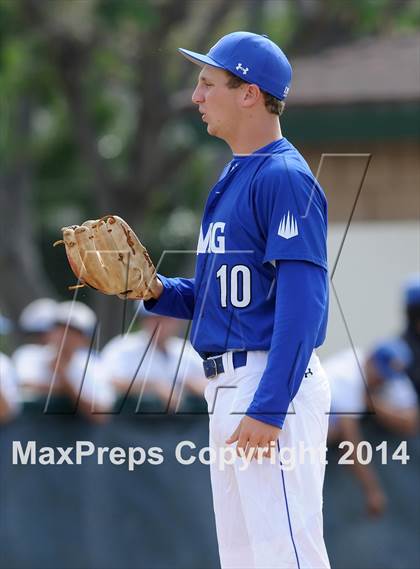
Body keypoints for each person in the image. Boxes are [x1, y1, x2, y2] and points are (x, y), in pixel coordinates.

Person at [143, 31, 331, 569]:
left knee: (286, 557)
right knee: (247, 560)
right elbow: (219, 300)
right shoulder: (234, 175)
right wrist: (154, 290)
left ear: (248, 92)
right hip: (228, 384)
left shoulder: (284, 177)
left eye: (207, 84)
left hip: (271, 384)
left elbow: (304, 304)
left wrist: (269, 407)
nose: (197, 96)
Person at [324, 340, 418, 517]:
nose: (381, 380)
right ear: (370, 360)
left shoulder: (389, 375)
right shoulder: (347, 373)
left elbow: (411, 422)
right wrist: (372, 489)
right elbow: (349, 442)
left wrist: (374, 403)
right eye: (380, 374)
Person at [101, 303, 206, 411]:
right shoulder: (123, 346)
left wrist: (190, 383)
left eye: (166, 318)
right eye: (154, 318)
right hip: (131, 423)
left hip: (182, 425)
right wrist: (153, 386)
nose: (160, 324)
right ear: (143, 320)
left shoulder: (186, 350)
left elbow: (211, 381)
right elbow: (106, 380)